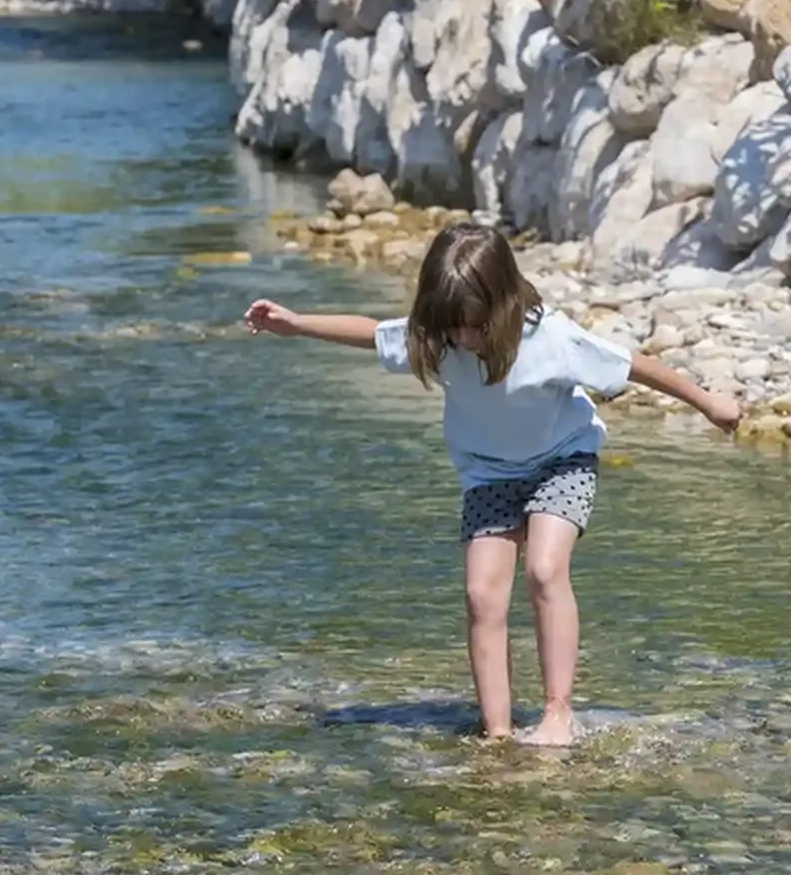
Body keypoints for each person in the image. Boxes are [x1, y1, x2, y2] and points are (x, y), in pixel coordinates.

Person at [244, 221, 742, 747]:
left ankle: (557, 713)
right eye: (452, 327)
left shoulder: (550, 338)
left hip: (562, 459)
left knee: (546, 572)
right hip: (489, 472)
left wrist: (709, 403)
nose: (464, 339)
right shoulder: (438, 335)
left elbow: (635, 367)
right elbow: (371, 333)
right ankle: (498, 732)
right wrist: (296, 324)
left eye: (475, 326)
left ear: (503, 302)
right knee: (482, 596)